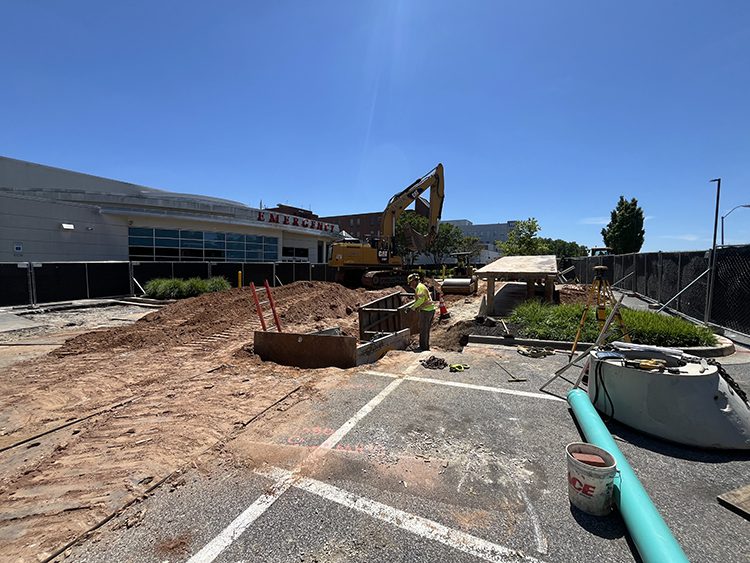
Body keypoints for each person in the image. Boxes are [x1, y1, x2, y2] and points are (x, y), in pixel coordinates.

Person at [406, 273, 436, 351]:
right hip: (429, 309)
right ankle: (425, 346)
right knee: (425, 329)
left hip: (427, 310)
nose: (410, 286)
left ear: (414, 281)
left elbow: (421, 299)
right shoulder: (421, 286)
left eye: (410, 283)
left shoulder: (419, 287)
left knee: (423, 329)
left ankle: (423, 348)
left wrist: (412, 307)